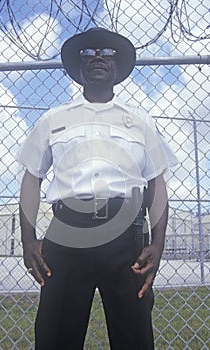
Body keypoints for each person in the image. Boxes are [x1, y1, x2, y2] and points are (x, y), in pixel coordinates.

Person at [18, 28, 178, 350]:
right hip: (66, 233)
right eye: (89, 53)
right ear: (80, 69)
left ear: (117, 68)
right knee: (55, 335)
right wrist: (27, 238)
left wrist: (158, 242)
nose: (98, 57)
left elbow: (156, 183)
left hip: (126, 235)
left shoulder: (140, 122)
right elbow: (31, 177)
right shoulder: (53, 119)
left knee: (134, 335)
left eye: (107, 52)